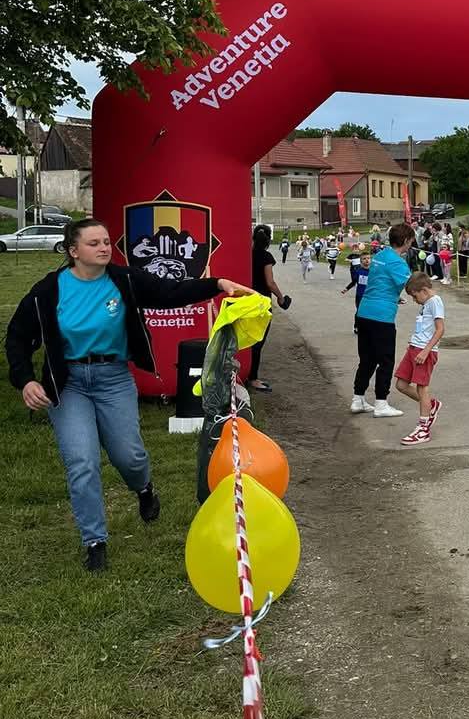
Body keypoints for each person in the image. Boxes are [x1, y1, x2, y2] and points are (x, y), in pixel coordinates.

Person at [4, 217, 253, 571]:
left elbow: (169, 292)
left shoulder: (124, 280)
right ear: (73, 251)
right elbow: (16, 337)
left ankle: (144, 488)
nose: (104, 248)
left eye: (106, 242)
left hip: (113, 379)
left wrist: (217, 284)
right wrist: (27, 380)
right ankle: (95, 542)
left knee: (129, 457)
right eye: (94, 243)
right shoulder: (48, 290)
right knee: (82, 462)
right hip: (69, 383)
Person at [350, 222, 415, 417]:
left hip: (364, 312)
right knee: (385, 360)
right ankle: (381, 403)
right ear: (405, 240)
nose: (411, 244)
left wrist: (395, 295)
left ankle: (358, 399)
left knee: (367, 359)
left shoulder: (379, 256)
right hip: (382, 316)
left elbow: (381, 282)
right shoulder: (398, 263)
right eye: (411, 241)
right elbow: (411, 285)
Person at [394, 273, 445, 445]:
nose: (415, 300)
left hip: (424, 351)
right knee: (401, 384)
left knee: (422, 387)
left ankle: (423, 429)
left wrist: (426, 351)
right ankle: (431, 404)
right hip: (414, 347)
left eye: (415, 296)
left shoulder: (435, 302)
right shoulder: (426, 303)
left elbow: (440, 329)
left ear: (424, 290)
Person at [249, 224, 290, 392]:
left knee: (247, 339)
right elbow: (270, 282)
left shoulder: (247, 254)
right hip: (261, 303)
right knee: (258, 341)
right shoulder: (266, 257)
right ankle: (253, 378)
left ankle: (245, 373)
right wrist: (281, 297)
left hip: (246, 299)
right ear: (268, 240)